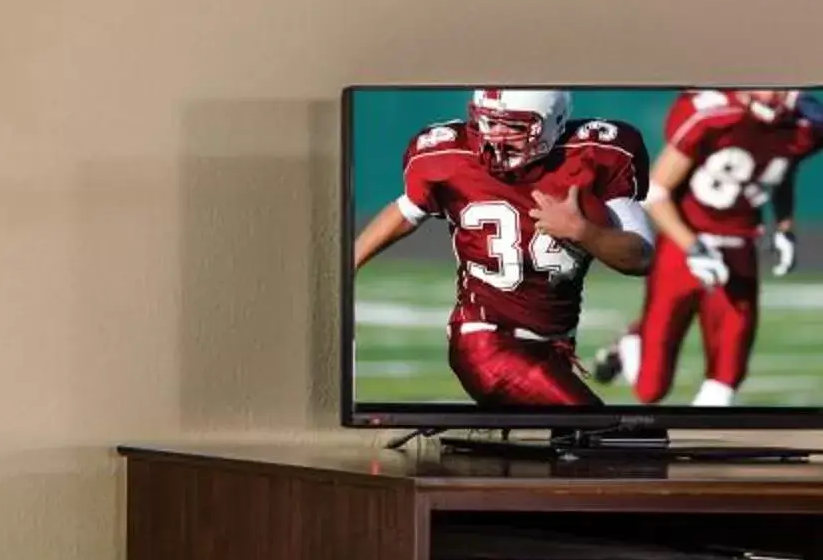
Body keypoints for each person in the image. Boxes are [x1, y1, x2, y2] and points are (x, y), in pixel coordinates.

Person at [351, 89, 655, 408]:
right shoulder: (448, 155)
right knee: (596, 426)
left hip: (554, 346)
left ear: (554, 124)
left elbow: (641, 256)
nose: (494, 137)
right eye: (487, 122)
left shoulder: (595, 154)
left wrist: (581, 231)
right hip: (486, 342)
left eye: (513, 127)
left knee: (587, 441)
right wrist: (348, 264)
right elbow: (408, 210)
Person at [593, 89, 822, 407]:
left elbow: (782, 167)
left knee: (726, 380)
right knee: (651, 390)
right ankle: (633, 341)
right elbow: (656, 192)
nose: (783, 94)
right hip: (683, 243)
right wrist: (694, 247)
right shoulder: (712, 115)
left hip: (740, 245)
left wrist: (784, 226)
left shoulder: (804, 125)